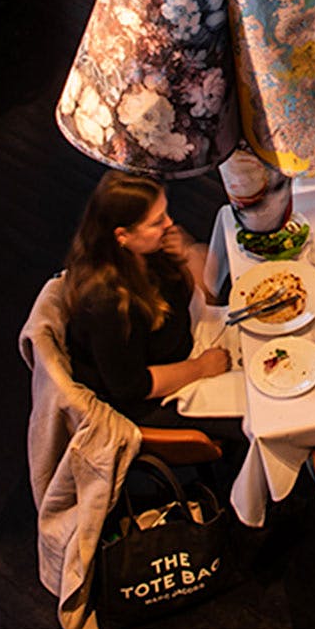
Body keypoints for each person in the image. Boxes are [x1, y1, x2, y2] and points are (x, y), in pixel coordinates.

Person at [63, 170, 244, 444]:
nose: (169, 223)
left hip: (186, 343)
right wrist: (200, 368)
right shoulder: (107, 304)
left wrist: (185, 253)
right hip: (153, 398)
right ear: (122, 235)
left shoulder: (148, 249)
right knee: (254, 410)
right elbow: (131, 387)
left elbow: (208, 291)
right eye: (156, 221)